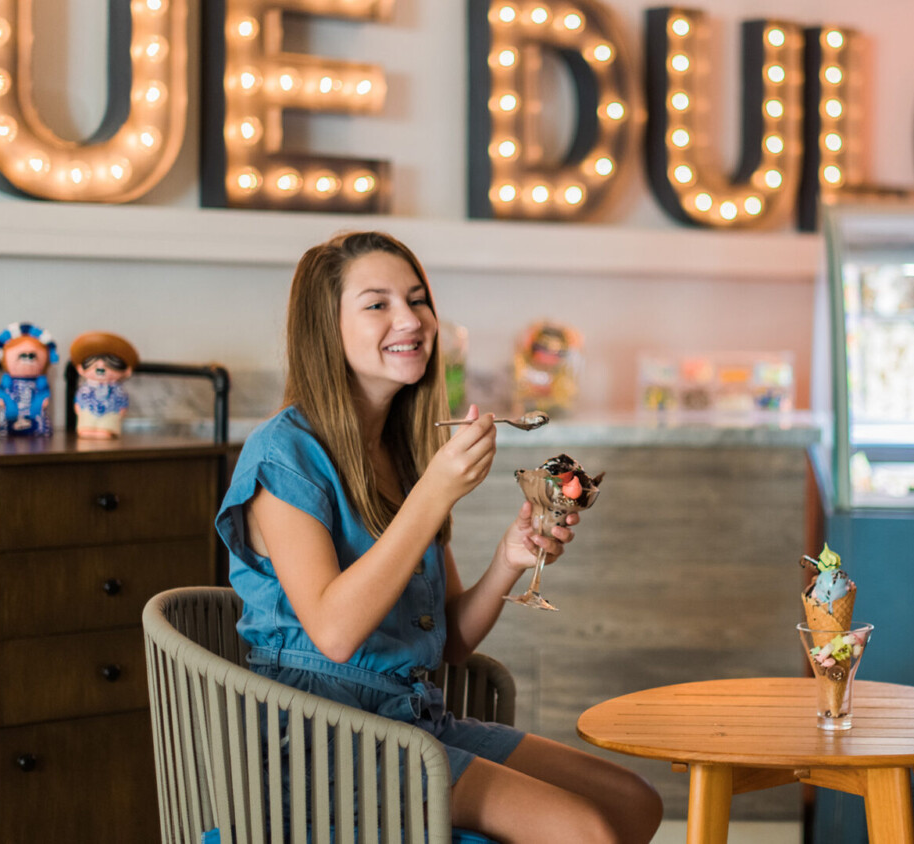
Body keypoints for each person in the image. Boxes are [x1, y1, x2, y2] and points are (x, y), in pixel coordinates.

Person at [216, 231, 662, 843]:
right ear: (327, 328)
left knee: (632, 803)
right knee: (584, 831)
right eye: (378, 304)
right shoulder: (282, 454)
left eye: (418, 299)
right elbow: (335, 631)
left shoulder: (401, 453)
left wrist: (510, 557)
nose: (412, 319)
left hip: (410, 719)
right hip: (319, 738)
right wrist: (433, 495)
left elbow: (450, 642)